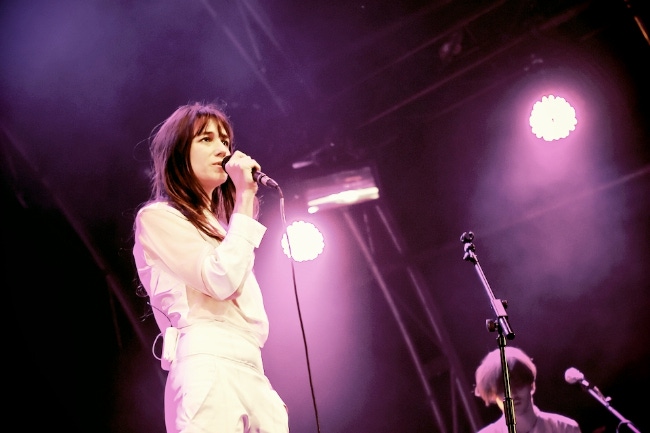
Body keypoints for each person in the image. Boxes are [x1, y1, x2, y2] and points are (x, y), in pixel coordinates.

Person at [132, 101, 289, 433]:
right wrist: (246, 197)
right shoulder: (158, 218)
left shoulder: (224, 229)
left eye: (225, 141)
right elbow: (220, 281)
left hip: (253, 368)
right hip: (207, 363)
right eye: (205, 139)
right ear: (177, 153)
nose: (222, 149)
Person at [473, 346, 581, 433]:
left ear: (531, 385)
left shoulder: (566, 428)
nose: (512, 394)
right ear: (493, 395)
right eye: (503, 390)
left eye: (518, 385)